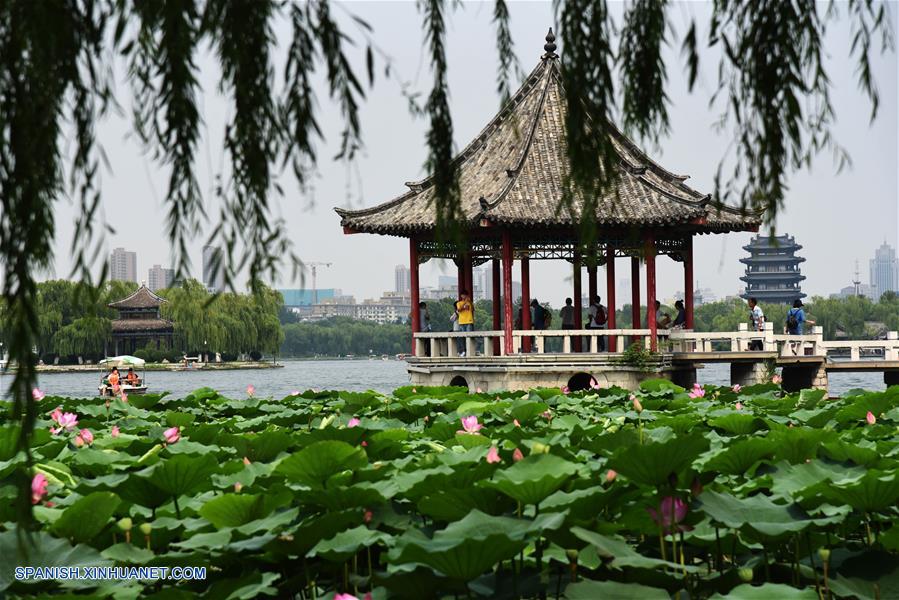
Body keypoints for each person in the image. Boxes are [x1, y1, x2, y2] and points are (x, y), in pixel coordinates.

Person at [455, 291, 474, 356]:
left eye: (465, 295)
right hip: (462, 322)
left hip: (469, 321)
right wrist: (465, 303)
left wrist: (470, 302)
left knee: (469, 337)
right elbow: (459, 310)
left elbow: (473, 309)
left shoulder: (469, 303)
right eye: (463, 295)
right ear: (461, 296)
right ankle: (464, 351)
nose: (464, 296)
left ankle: (470, 351)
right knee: (462, 337)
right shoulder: (459, 303)